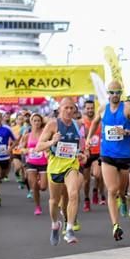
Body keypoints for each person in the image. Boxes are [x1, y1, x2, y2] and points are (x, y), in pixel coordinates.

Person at [87, 81, 130, 241]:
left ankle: (123, 200)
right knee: (112, 190)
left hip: (124, 155)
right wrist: (89, 138)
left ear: (121, 93)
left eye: (117, 92)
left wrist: (128, 132)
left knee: (121, 191)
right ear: (108, 93)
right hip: (107, 154)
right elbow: (95, 122)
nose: (115, 95)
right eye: (112, 92)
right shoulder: (103, 108)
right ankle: (116, 225)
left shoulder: (127, 109)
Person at [36, 98, 86, 245]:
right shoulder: (53, 124)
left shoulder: (77, 125)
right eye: (66, 108)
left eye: (72, 108)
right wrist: (52, 141)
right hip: (55, 167)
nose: (69, 111)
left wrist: (82, 154)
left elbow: (79, 148)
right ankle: (55, 224)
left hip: (71, 165)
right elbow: (39, 146)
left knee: (73, 193)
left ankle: (69, 229)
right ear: (60, 109)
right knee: (54, 201)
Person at [22, 113, 48, 215]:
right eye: (34, 120)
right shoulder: (27, 135)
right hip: (31, 162)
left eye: (38, 120)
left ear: (41, 122)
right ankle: (37, 206)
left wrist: (47, 151)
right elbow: (21, 147)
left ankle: (39, 182)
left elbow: (49, 145)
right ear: (31, 122)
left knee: (43, 187)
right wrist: (26, 150)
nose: (36, 122)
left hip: (43, 162)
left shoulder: (45, 133)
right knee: (34, 186)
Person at [81, 100, 103, 212]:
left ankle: (95, 190)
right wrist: (84, 149)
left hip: (97, 152)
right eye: (88, 108)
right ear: (84, 109)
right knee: (86, 181)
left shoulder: (99, 121)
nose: (90, 110)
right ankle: (86, 200)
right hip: (86, 154)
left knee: (98, 175)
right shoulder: (81, 122)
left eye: (91, 108)